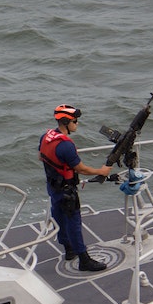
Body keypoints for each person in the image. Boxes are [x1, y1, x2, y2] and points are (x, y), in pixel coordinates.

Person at [39, 104, 113, 272]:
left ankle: (69, 250)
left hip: (53, 187)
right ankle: (84, 259)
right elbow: (81, 169)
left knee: (59, 216)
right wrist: (101, 171)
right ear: (66, 122)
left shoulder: (46, 137)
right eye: (75, 121)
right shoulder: (66, 146)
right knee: (74, 223)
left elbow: (40, 156)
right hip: (67, 191)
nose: (77, 124)